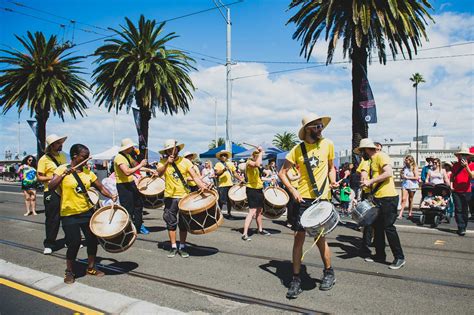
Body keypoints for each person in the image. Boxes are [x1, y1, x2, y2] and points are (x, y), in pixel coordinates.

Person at [278, 113, 338, 299]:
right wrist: (292, 190)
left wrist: (333, 181)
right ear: (308, 129)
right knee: (299, 237)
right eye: (317, 126)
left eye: (321, 126)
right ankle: (296, 279)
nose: (321, 129)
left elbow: (331, 168)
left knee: (320, 238)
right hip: (302, 199)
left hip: (322, 198)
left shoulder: (328, 144)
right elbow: (282, 173)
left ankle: (329, 272)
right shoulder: (297, 150)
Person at [49, 144, 117, 284]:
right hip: (69, 213)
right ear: (75, 156)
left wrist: (111, 195)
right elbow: (51, 186)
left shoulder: (88, 172)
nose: (86, 160)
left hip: (86, 212)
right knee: (74, 242)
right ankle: (69, 271)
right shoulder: (62, 169)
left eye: (87, 157)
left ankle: (91, 267)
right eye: (84, 157)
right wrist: (63, 174)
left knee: (92, 241)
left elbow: (100, 187)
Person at [355, 138, 405, 270]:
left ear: (366, 149)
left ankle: (399, 257)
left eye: (361, 151)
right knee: (377, 227)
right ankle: (380, 254)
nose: (361, 154)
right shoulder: (370, 161)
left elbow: (388, 173)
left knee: (389, 227)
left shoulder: (381, 156)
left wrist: (370, 181)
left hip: (388, 197)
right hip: (378, 198)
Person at [156, 139, 209, 258]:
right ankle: (173, 246)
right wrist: (167, 163)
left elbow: (195, 177)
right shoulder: (162, 162)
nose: (172, 151)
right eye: (169, 150)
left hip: (184, 197)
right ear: (166, 151)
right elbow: (158, 174)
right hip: (170, 196)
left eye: (174, 149)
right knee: (171, 223)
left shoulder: (185, 162)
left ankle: (183, 246)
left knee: (183, 223)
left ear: (178, 150)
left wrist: (203, 187)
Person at [37, 134, 68, 255]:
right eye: (58, 143)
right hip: (51, 191)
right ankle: (49, 243)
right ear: (52, 146)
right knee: (52, 219)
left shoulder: (63, 157)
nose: (61, 145)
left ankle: (69, 239)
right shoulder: (44, 159)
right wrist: (53, 177)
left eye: (61, 142)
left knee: (67, 216)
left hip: (64, 191)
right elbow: (39, 176)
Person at [113, 138, 149, 235]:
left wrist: (149, 170)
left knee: (139, 204)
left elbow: (137, 166)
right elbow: (127, 172)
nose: (133, 148)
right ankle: (128, 229)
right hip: (123, 185)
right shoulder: (119, 157)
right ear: (127, 148)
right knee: (128, 208)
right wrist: (140, 164)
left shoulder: (127, 155)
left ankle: (138, 225)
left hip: (131, 183)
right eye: (131, 146)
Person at [241, 148, 271, 241]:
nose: (259, 158)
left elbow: (260, 176)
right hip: (251, 190)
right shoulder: (249, 162)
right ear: (254, 156)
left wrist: (269, 178)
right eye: (257, 156)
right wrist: (261, 152)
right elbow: (257, 163)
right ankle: (244, 234)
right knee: (252, 211)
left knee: (259, 211)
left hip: (258, 189)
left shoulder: (257, 166)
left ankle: (260, 230)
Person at [450, 147, 474, 236]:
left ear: (468, 157)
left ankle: (464, 225)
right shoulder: (456, 165)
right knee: (458, 209)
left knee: (464, 210)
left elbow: (472, 176)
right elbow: (452, 177)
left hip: (466, 191)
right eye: (461, 155)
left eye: (465, 155)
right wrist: (451, 186)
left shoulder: (472, 165)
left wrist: (466, 166)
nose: (463, 157)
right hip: (456, 190)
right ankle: (460, 227)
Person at [214, 150, 244, 219]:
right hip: (222, 185)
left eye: (225, 155)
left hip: (230, 184)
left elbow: (235, 173)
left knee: (229, 200)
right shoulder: (218, 164)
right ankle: (218, 214)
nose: (223, 156)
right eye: (222, 155)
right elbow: (217, 173)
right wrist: (224, 170)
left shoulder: (230, 163)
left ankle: (229, 213)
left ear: (227, 156)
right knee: (221, 201)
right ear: (220, 157)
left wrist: (240, 179)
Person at [398, 155, 419, 219]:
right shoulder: (404, 167)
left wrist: (408, 177)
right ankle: (400, 214)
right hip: (405, 184)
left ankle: (410, 213)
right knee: (403, 199)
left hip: (412, 185)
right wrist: (401, 175)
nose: (405, 161)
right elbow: (402, 176)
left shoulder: (414, 167)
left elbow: (416, 177)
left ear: (410, 161)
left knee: (410, 199)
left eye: (407, 160)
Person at [285, 164, 301, 228]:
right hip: (290, 188)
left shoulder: (295, 169)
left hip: (296, 188)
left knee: (296, 205)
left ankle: (294, 220)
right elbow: (291, 178)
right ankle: (290, 221)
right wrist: (299, 176)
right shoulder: (288, 169)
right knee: (290, 206)